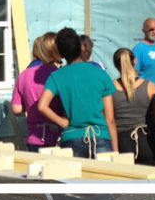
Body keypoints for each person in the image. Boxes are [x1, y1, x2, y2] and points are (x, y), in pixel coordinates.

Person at [36, 27, 118, 158]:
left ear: (61, 54)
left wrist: (63, 122)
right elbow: (110, 119)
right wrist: (115, 151)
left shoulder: (56, 76)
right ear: (81, 48)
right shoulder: (100, 73)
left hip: (72, 137)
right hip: (100, 136)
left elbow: (42, 106)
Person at [110, 47, 155, 166]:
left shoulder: (110, 88)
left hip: (121, 144)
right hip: (147, 142)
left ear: (116, 66)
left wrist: (114, 150)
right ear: (135, 61)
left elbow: (109, 120)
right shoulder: (150, 87)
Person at [11, 32, 63, 151]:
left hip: (33, 137)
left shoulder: (24, 75)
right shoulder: (60, 75)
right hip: (57, 137)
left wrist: (30, 104)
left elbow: (16, 109)